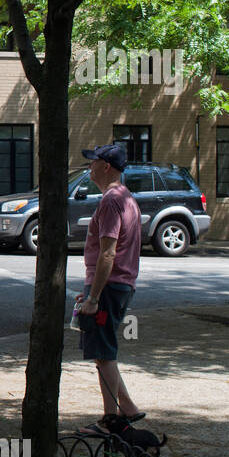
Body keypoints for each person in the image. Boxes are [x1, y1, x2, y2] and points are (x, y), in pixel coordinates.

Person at [75, 144, 145, 434]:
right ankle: (127, 408)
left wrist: (94, 296)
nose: (89, 167)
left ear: (106, 166)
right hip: (117, 285)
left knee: (103, 352)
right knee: (104, 351)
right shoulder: (125, 198)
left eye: (93, 162)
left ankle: (110, 420)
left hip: (110, 287)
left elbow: (108, 252)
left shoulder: (111, 201)